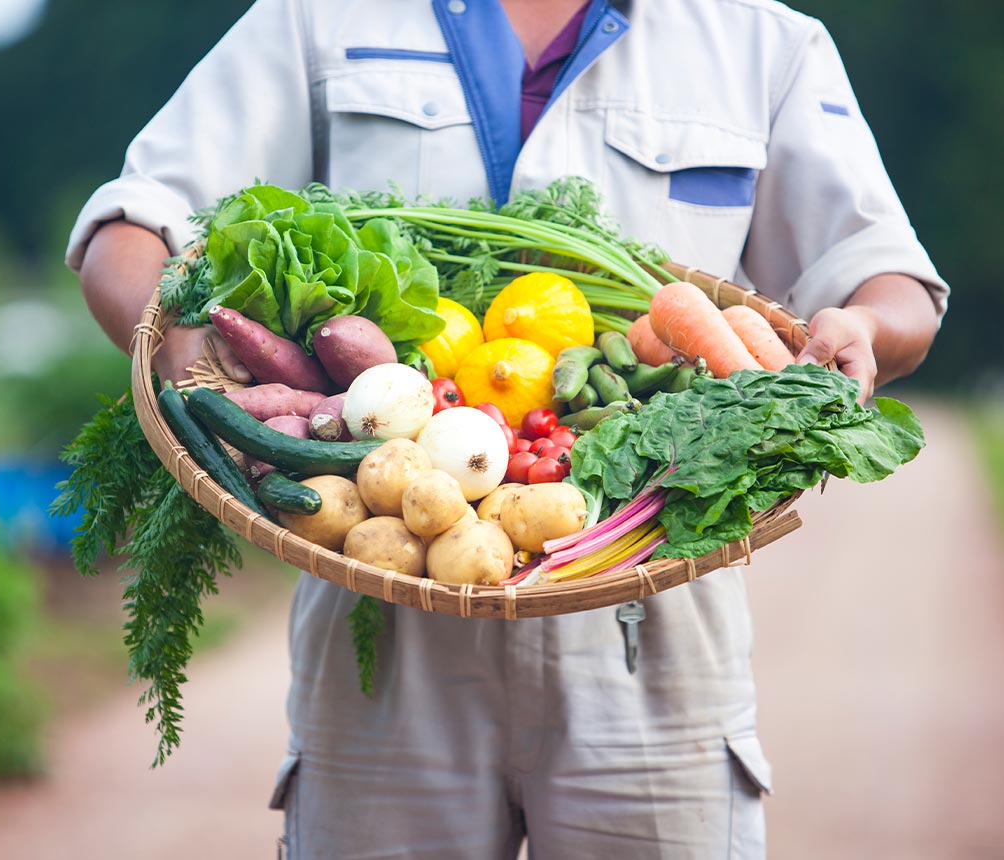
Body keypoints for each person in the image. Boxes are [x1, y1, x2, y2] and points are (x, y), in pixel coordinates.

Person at [67, 1, 947, 857]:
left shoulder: (763, 42)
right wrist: (195, 364)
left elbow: (890, 279)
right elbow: (130, 226)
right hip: (386, 585)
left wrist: (864, 328)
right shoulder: (318, 16)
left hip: (653, 614)